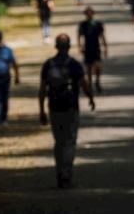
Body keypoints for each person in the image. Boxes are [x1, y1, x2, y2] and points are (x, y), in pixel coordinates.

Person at [39, 33, 95, 189]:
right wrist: (91, 98)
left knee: (58, 142)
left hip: (54, 107)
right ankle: (66, 173)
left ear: (56, 46)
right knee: (70, 142)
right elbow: (84, 84)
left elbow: (43, 89)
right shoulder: (74, 65)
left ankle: (59, 172)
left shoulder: (48, 65)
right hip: (71, 108)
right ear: (69, 46)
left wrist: (41, 110)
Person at [78, 6, 107, 94]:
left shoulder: (98, 24)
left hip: (96, 47)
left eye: (90, 13)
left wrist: (105, 47)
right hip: (87, 48)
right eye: (87, 13)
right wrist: (80, 46)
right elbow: (79, 36)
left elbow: (102, 36)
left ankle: (97, 81)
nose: (89, 14)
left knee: (98, 66)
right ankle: (90, 84)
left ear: (93, 14)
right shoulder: (83, 24)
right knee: (89, 68)